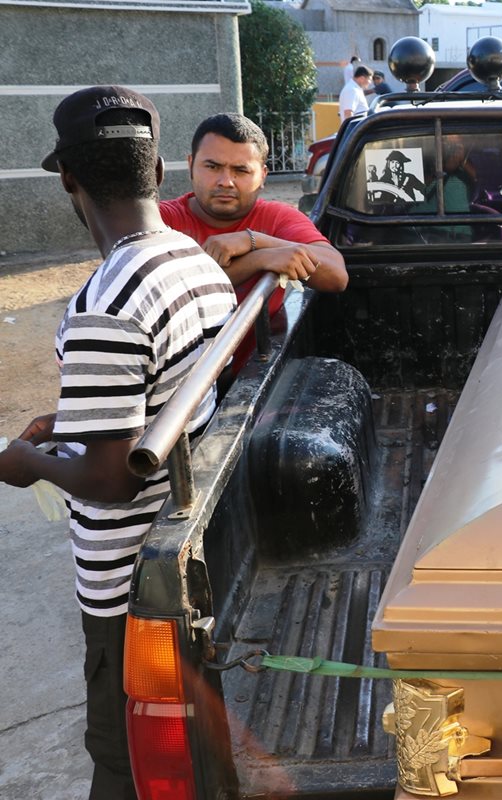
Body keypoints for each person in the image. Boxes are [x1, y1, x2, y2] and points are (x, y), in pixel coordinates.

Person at [0, 86, 237, 800]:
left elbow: (112, 479)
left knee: (123, 759)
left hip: (126, 581)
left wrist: (21, 463)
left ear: (68, 179)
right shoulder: (193, 264)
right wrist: (72, 419)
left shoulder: (105, 301)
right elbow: (157, 396)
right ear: (160, 171)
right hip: (190, 546)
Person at [159, 113, 348, 368]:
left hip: (248, 383)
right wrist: (260, 259)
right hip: (174, 388)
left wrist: (254, 240)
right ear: (191, 164)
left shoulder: (277, 217)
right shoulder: (162, 220)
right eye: (212, 167)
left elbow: (336, 276)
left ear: (263, 176)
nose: (225, 181)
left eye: (241, 170)